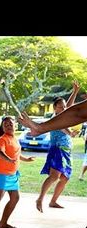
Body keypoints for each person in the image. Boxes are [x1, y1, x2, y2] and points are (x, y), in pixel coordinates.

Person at [0, 116, 35, 228]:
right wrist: (9, 159)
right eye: (5, 124)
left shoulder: (15, 139)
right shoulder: (2, 139)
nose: (8, 125)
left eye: (10, 123)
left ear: (15, 125)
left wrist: (26, 159)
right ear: (2, 127)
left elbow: (17, 155)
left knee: (15, 198)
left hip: (12, 174)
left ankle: (3, 223)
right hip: (1, 172)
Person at [34, 81, 79, 213]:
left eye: (64, 106)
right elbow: (61, 127)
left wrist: (75, 92)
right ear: (55, 108)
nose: (64, 108)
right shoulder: (56, 118)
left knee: (65, 178)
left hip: (65, 150)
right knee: (54, 176)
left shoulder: (64, 115)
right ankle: (40, 199)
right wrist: (70, 133)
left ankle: (53, 201)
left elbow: (69, 107)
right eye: (61, 106)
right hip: (57, 149)